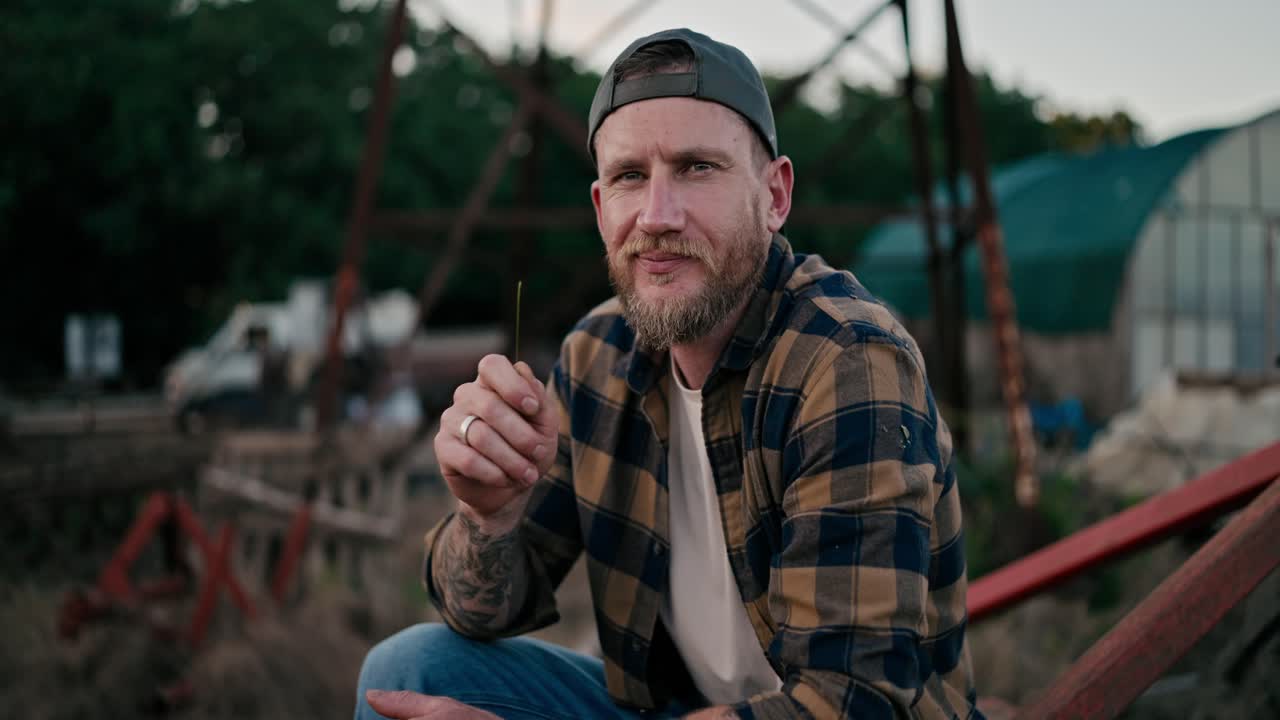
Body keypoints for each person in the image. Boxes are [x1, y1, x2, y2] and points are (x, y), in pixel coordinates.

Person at [357, 28, 980, 720]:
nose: (656, 217)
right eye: (630, 177)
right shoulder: (596, 356)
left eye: (697, 168)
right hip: (681, 708)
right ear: (601, 211)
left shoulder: (846, 362)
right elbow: (483, 613)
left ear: (775, 196)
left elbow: (852, 705)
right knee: (408, 670)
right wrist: (487, 515)